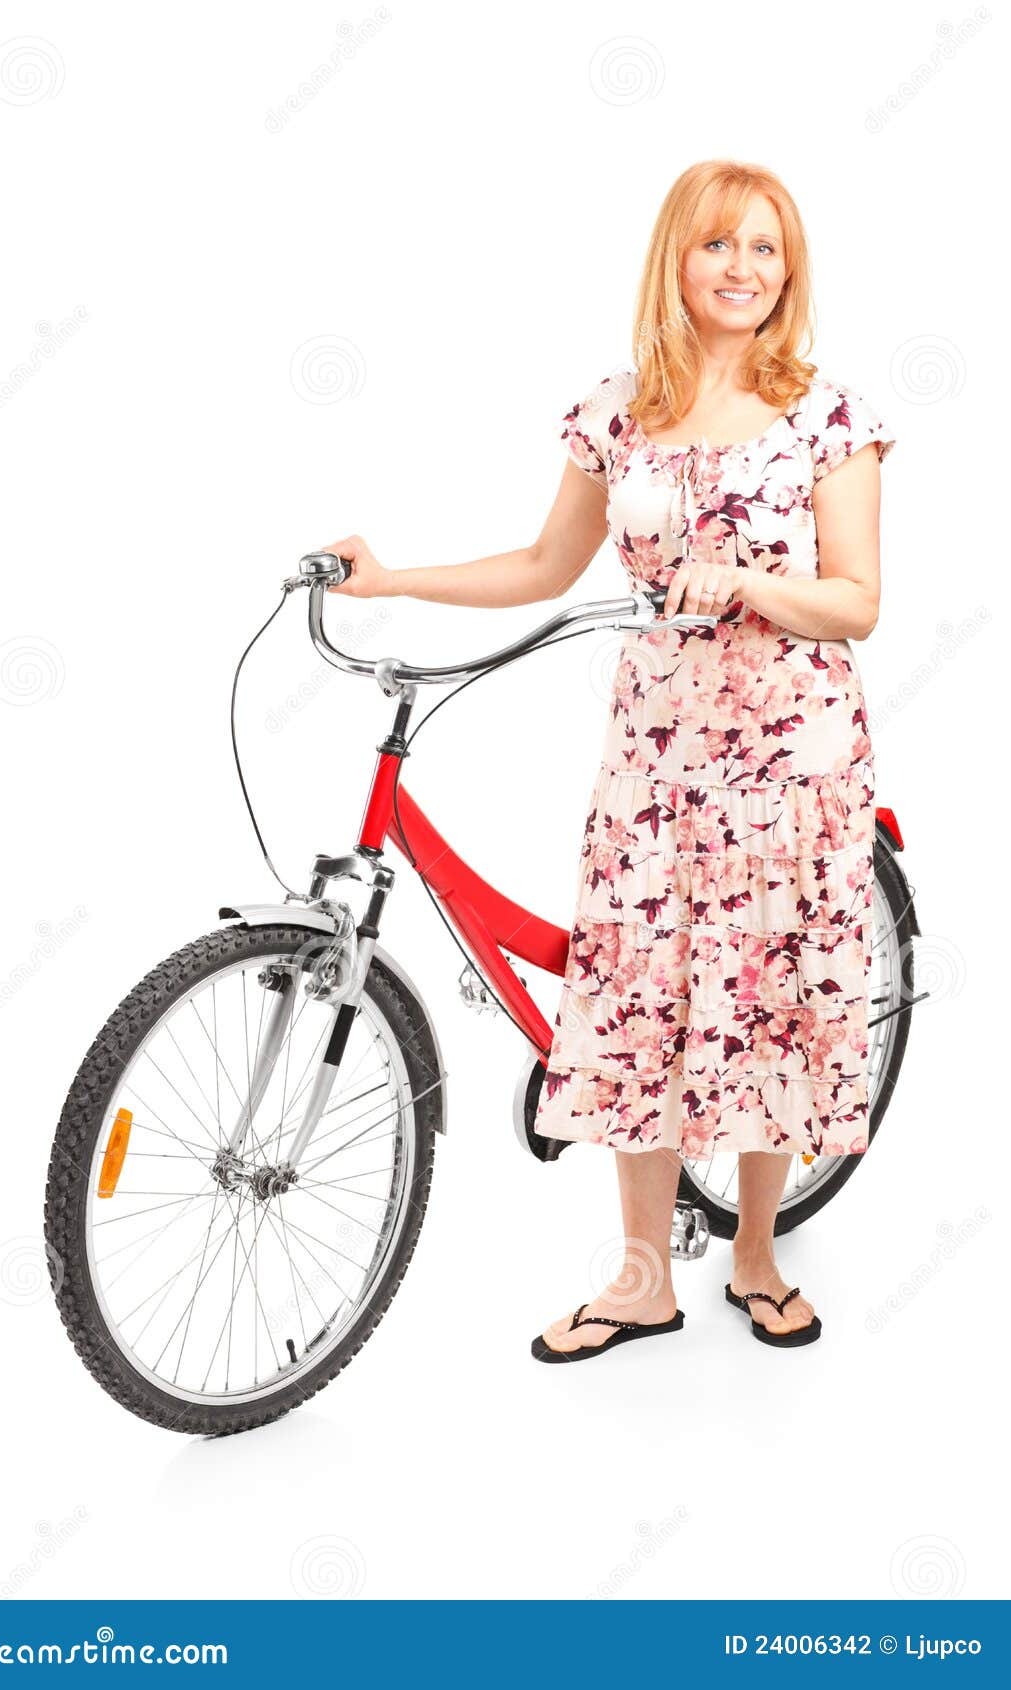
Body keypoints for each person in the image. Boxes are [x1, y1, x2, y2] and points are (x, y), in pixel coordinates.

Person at [324, 159, 894, 1361]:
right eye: (714, 246)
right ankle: (641, 1278)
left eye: (763, 249)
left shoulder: (825, 415)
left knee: (765, 992)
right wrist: (390, 577)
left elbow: (855, 601)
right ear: (672, 261)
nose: (739, 270)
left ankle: (750, 1252)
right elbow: (542, 567)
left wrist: (741, 580)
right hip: (654, 753)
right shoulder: (617, 410)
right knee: (637, 993)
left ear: (786, 272)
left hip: (790, 752)